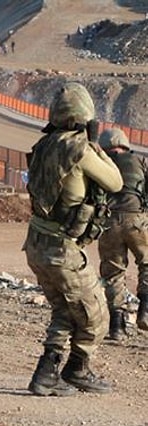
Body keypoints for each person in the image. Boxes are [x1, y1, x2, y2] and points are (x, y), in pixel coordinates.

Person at [24, 82, 123, 397]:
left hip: (37, 245)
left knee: (65, 310)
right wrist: (96, 148)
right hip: (61, 250)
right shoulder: (78, 149)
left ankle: (46, 373)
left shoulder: (43, 145)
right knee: (96, 314)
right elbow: (115, 182)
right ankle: (78, 368)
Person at [97, 128, 148, 340]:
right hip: (136, 219)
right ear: (126, 145)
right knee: (146, 263)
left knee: (113, 273)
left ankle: (116, 326)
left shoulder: (101, 163)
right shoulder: (138, 162)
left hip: (109, 222)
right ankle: (145, 309)